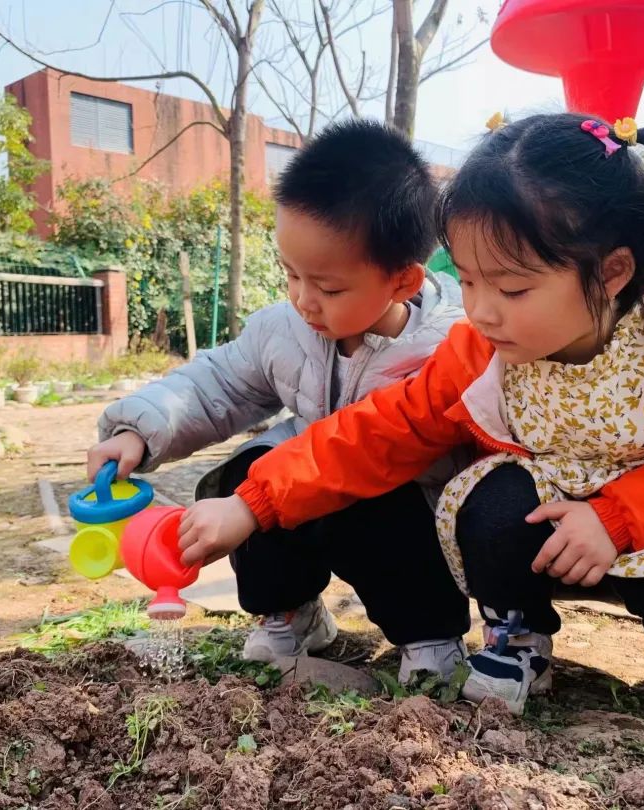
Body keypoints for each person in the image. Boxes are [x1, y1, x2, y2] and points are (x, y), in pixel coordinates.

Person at [176, 113, 644, 726]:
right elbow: (378, 431)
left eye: (512, 290)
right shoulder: (479, 356)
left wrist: (618, 517)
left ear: (611, 271)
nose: (483, 312)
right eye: (466, 281)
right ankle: (518, 636)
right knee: (490, 505)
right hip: (540, 526)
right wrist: (253, 502)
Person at [88, 119, 472, 684]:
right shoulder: (283, 330)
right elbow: (216, 383)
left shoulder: (448, 347)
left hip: (406, 502)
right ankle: (291, 611)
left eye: (329, 287)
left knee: (384, 508)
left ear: (403, 282)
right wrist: (138, 431)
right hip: (299, 485)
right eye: (290, 273)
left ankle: (430, 637)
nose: (303, 299)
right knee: (247, 472)